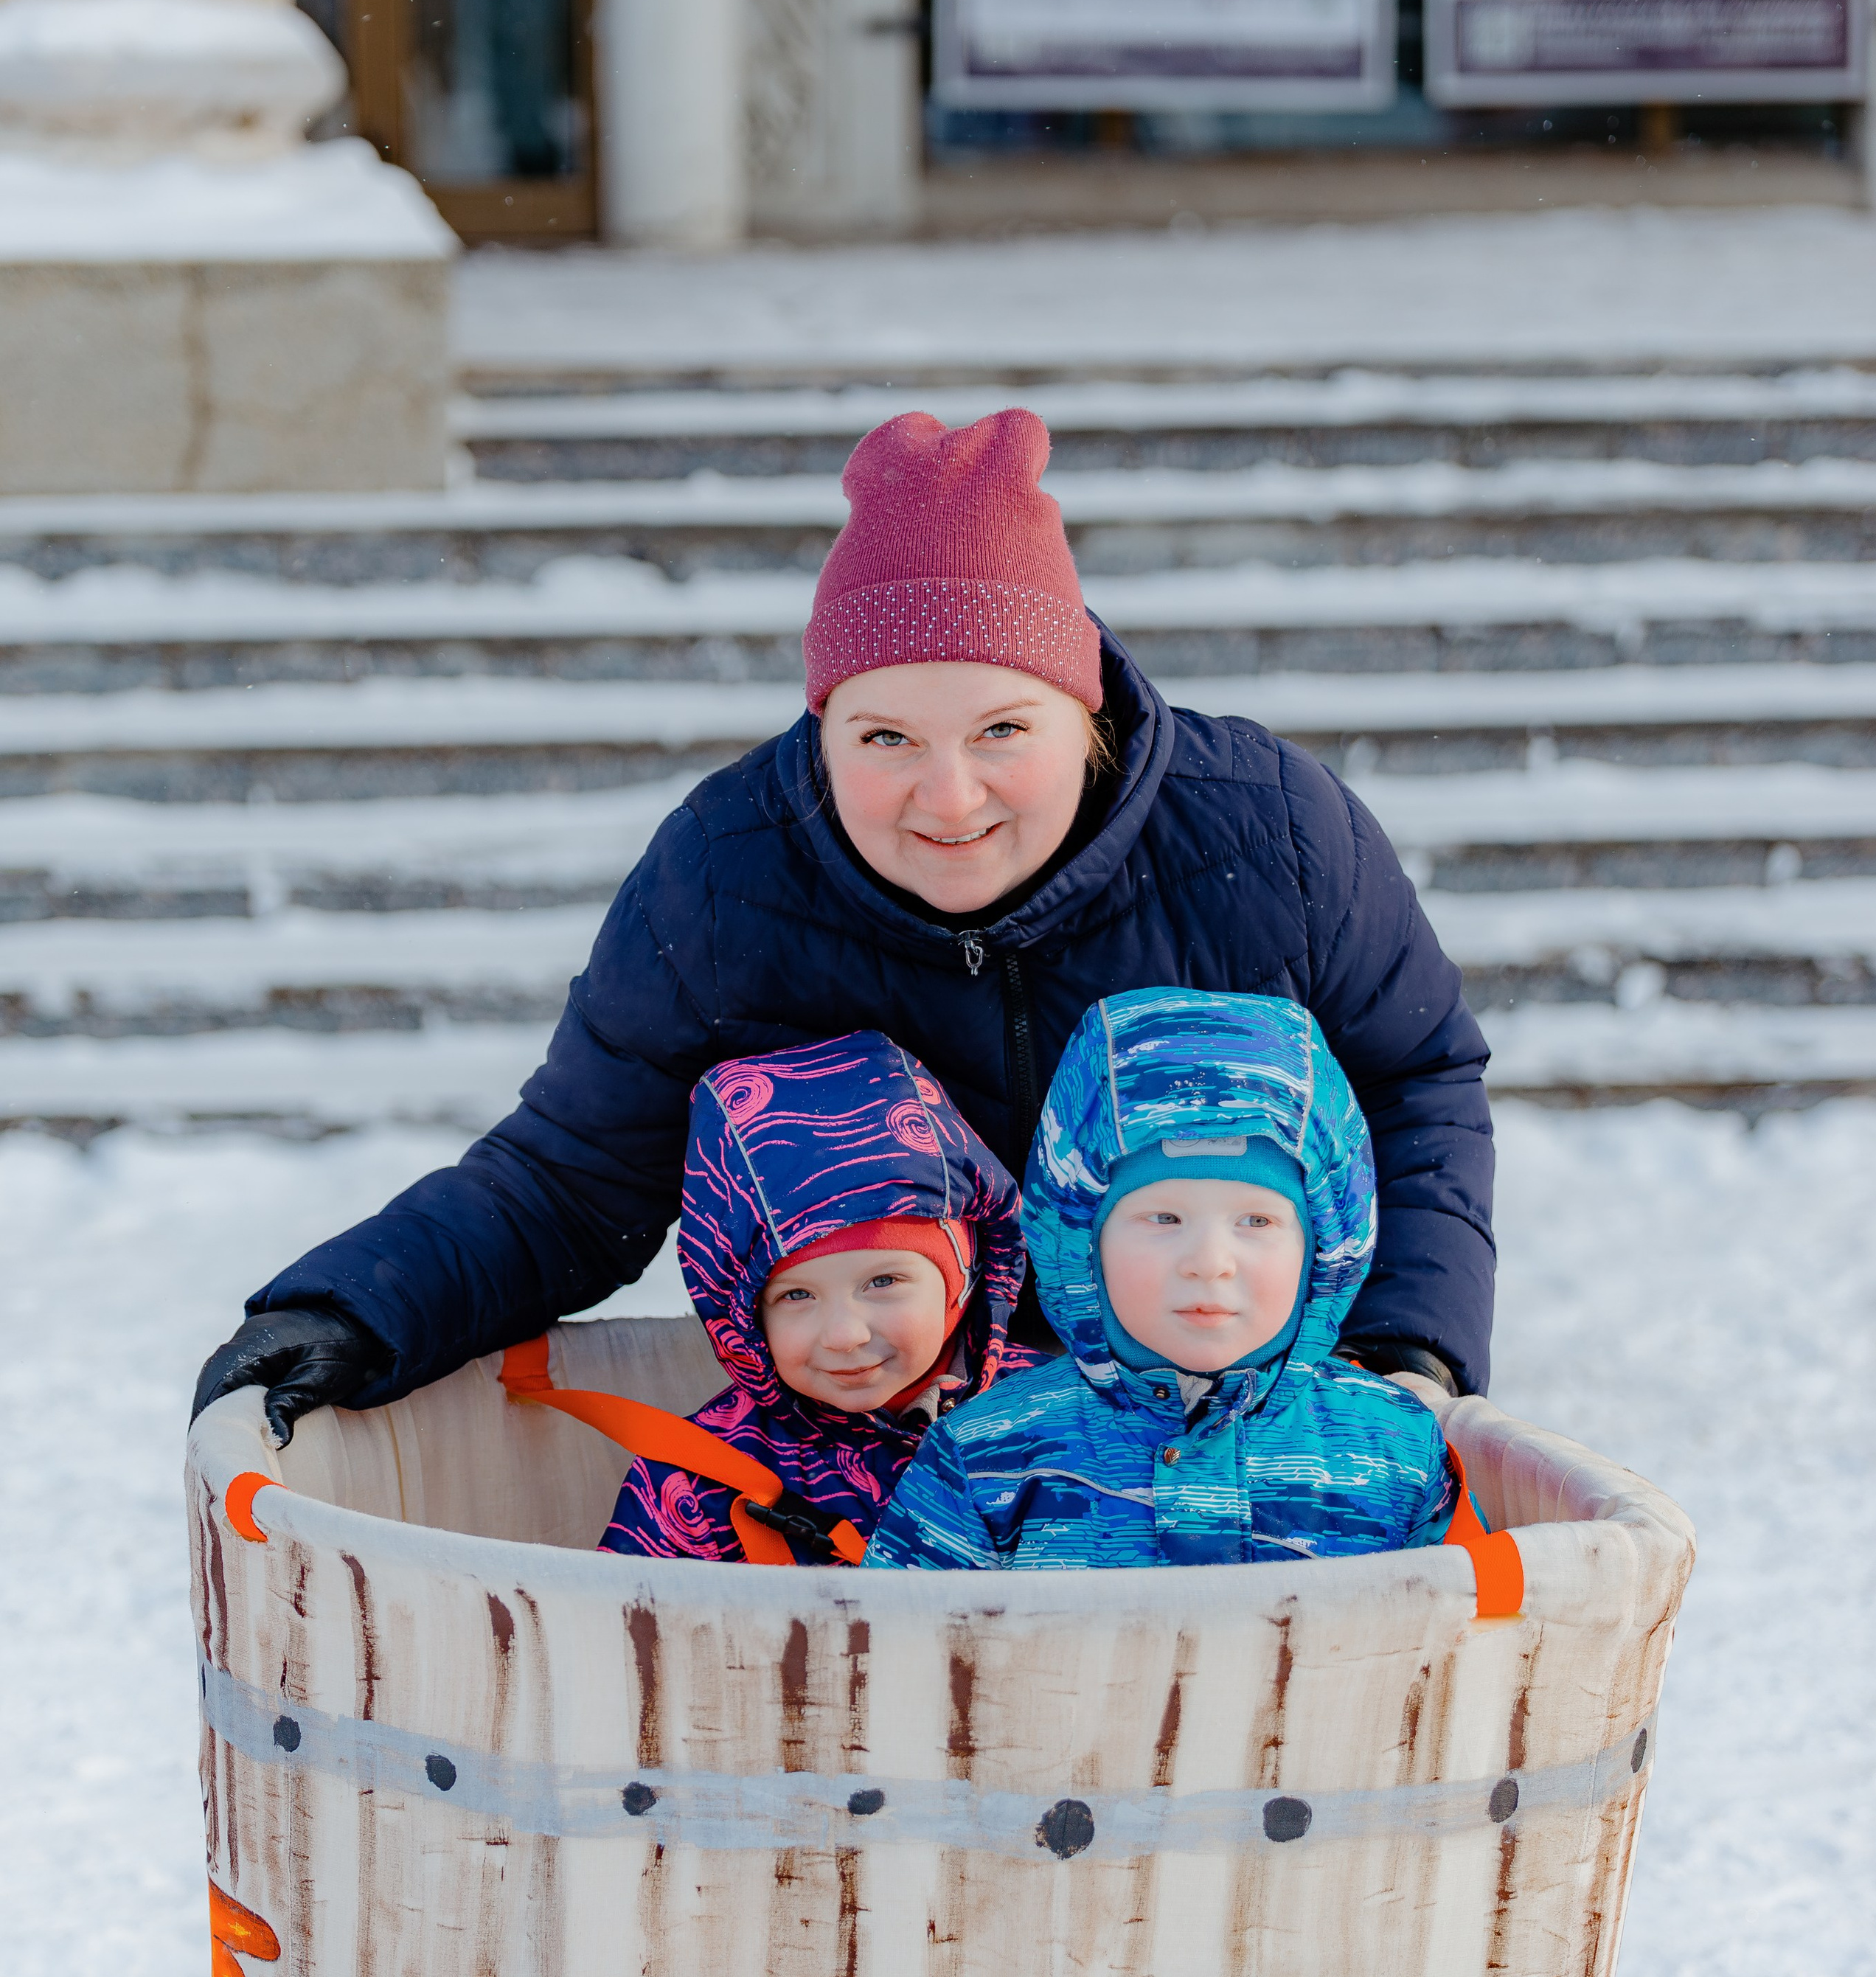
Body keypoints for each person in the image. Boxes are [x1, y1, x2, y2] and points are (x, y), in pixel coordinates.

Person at [192, 406, 1493, 1450]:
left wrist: (1402, 1356)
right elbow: (575, 1172)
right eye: (886, 739)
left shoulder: (1270, 835)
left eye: (1002, 733)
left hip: (1232, 1429)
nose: (949, 796)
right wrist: (358, 1304)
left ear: (1081, 713)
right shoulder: (728, 876)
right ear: (823, 730)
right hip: (887, 1453)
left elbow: (1416, 1081)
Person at [866, 988, 1456, 1571]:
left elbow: (1466, 1654)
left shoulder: (1397, 1453)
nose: (1209, 1261)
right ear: (1082, 1244)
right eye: (1164, 1218)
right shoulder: (988, 1460)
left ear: (1322, 1250)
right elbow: (902, 1655)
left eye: (1257, 1220)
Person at [596, 1031, 1027, 1565]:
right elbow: (626, 1639)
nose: (846, 1335)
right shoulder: (694, 1487)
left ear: (962, 1274)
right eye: (797, 1294)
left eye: (883, 1282)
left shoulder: (1068, 1420)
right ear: (745, 1318)